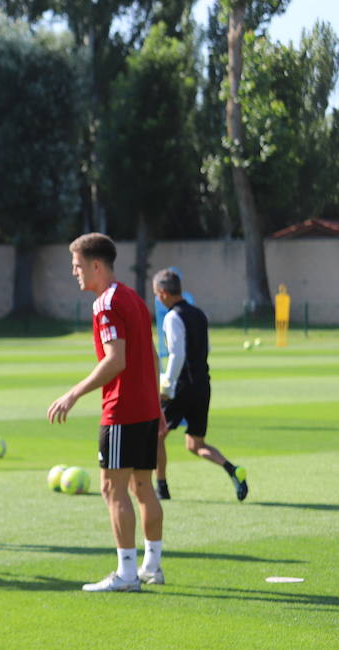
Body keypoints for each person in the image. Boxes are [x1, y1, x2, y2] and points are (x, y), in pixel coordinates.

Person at [48, 234, 164, 591]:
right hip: (144, 408)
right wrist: (157, 406)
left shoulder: (105, 304)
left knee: (112, 490)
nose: (74, 273)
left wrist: (73, 393)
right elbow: (153, 355)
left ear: (96, 265)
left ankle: (127, 574)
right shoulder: (133, 297)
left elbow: (116, 360)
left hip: (122, 410)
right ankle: (152, 567)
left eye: (78, 266)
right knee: (143, 487)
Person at [152, 269, 248, 503]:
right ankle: (232, 470)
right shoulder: (199, 314)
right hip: (203, 384)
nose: (156, 298)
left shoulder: (172, 317)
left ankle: (161, 488)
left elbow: (177, 354)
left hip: (183, 385)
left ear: (164, 293)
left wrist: (167, 387)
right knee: (195, 444)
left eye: (156, 294)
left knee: (156, 435)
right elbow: (208, 349)